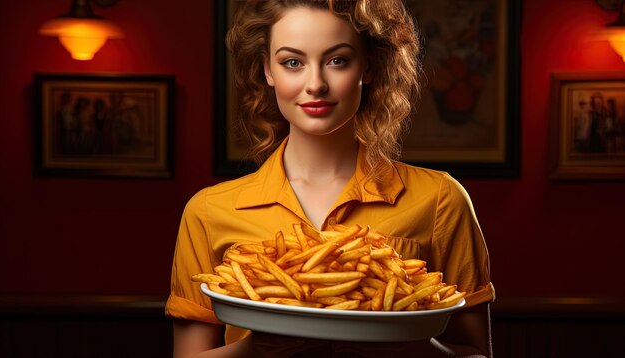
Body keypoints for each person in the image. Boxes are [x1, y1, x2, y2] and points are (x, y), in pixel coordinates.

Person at [166, 0, 495, 357]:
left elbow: (477, 353)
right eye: (292, 62)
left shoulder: (441, 199)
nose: (316, 84)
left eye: (337, 60)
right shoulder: (208, 211)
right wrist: (257, 348)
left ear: (367, 66)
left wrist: (407, 344)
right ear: (267, 71)